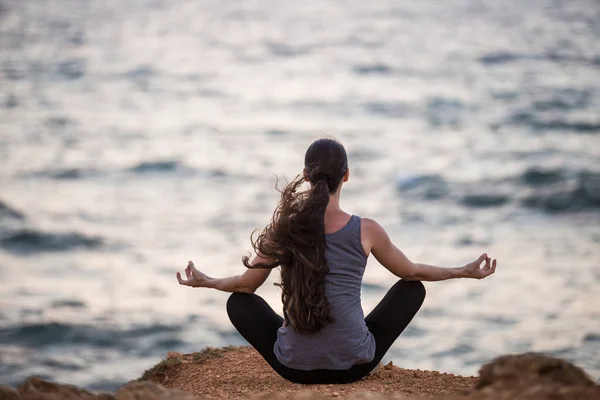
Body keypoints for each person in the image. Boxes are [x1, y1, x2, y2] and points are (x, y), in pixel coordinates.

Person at [176, 138, 497, 384]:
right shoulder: (366, 230)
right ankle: (346, 344)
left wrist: (205, 280)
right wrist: (463, 271)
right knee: (412, 289)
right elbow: (411, 271)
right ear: (346, 176)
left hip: (293, 369)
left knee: (238, 303)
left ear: (304, 175)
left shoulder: (284, 229)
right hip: (354, 367)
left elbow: (246, 286)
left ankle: (302, 347)